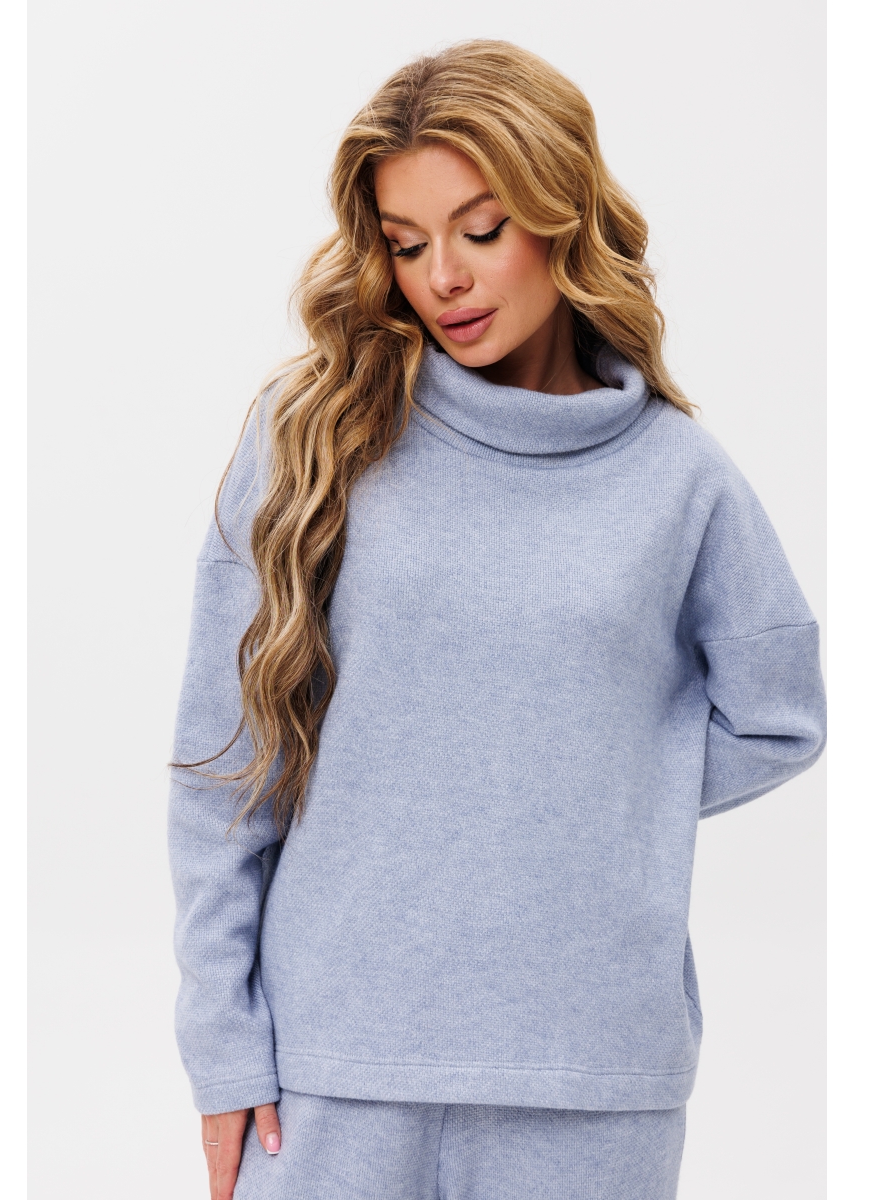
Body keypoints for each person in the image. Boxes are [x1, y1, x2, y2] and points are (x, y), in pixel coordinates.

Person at [168, 40, 827, 1200]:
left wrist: (587, 787)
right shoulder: (317, 435)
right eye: (407, 242)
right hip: (329, 1076)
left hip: (592, 1081)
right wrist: (223, 1045)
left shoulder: (681, 480)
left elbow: (780, 713)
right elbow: (227, 761)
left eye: (481, 231)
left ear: (562, 216)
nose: (444, 279)